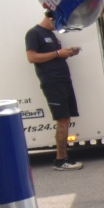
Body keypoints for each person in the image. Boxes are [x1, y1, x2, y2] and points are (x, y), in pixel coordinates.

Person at [25, 11, 83, 170]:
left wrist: (68, 53)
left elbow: (54, 57)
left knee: (66, 119)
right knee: (62, 120)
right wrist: (58, 53)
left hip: (63, 80)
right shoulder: (34, 33)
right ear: (51, 18)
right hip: (52, 82)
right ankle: (60, 160)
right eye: (58, 23)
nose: (58, 27)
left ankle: (63, 157)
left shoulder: (52, 35)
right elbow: (31, 57)